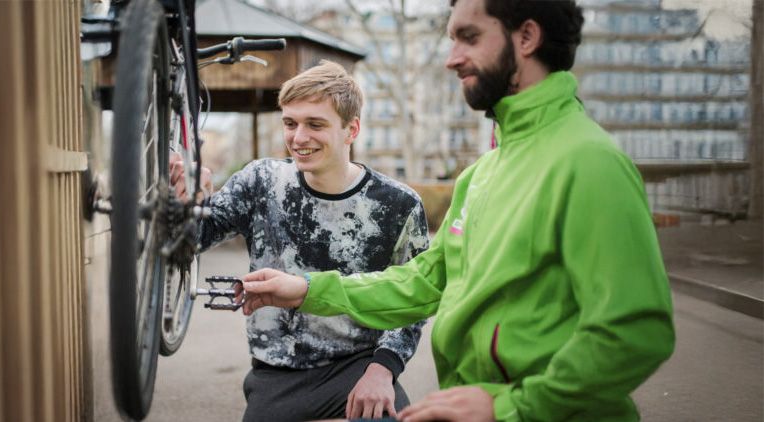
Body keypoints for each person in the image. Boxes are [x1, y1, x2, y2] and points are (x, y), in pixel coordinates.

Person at [237, 1, 676, 421]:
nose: (452, 59)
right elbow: (425, 282)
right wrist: (307, 289)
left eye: (469, 37)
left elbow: (634, 331)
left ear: (526, 37)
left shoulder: (589, 161)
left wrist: (509, 409)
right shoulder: (480, 174)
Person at [171, 60, 429, 421]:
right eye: (290, 123)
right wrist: (185, 202)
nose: (298, 137)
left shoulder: (398, 204)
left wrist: (384, 368)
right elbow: (191, 241)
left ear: (351, 129)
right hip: (278, 372)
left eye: (315, 124)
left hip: (359, 365)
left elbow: (414, 298)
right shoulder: (261, 180)